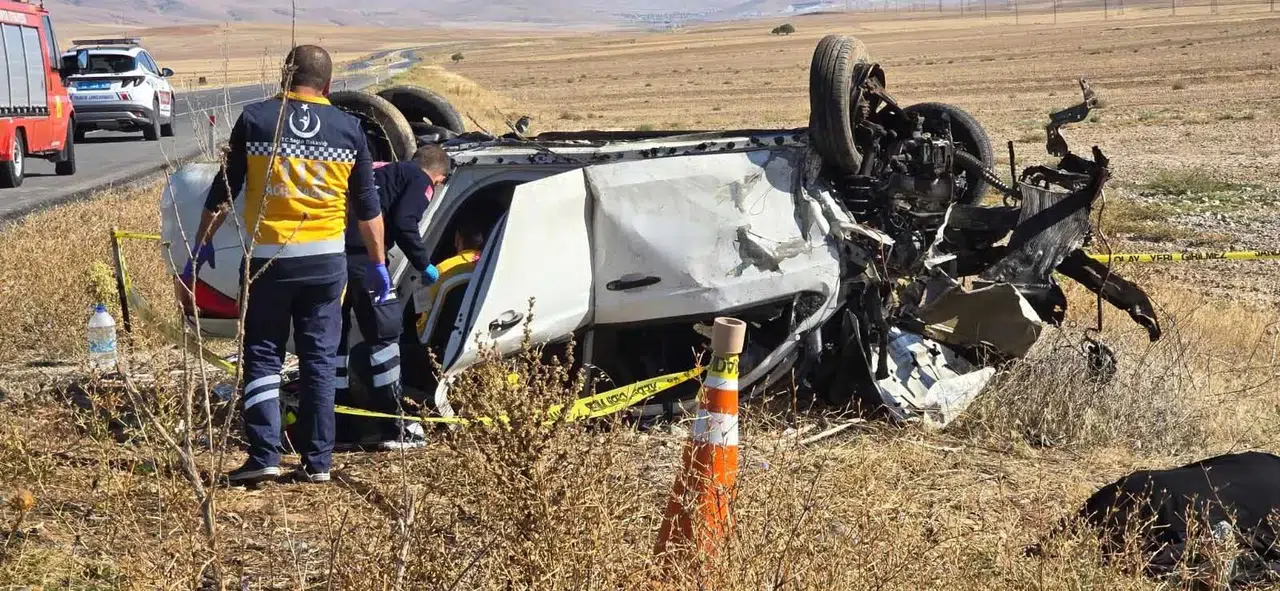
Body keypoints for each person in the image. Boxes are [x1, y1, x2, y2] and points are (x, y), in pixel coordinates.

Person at [183, 45, 389, 485]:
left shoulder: (256, 119)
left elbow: (223, 191)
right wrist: (378, 262)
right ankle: (319, 462)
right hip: (327, 263)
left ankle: (265, 455)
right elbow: (368, 208)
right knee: (318, 358)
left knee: (262, 354)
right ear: (328, 85)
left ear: (284, 76)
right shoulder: (350, 128)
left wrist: (198, 248)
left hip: (269, 261)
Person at [335, 145, 450, 449]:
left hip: (332, 257)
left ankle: (338, 426)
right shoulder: (420, 179)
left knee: (335, 339)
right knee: (385, 338)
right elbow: (403, 223)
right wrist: (423, 262)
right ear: (438, 178)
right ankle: (391, 427)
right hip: (365, 262)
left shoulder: (381, 171)